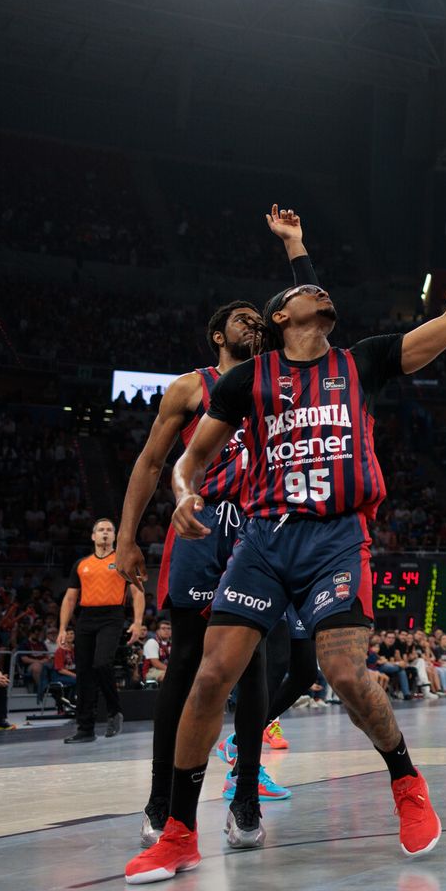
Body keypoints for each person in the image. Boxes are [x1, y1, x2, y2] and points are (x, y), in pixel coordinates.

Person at [124, 170, 446, 883]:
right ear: (284, 317)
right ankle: (177, 831)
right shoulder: (246, 380)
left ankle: (407, 782)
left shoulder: (364, 361)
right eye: (307, 292)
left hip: (334, 539)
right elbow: (190, 459)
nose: (322, 294)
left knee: (345, 673)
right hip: (263, 542)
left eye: (322, 292)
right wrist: (181, 493)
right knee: (209, 678)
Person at [113, 215, 304, 848]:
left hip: (258, 529)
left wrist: (292, 251)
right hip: (199, 525)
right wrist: (125, 537)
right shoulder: (188, 388)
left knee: (251, 669)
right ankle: (160, 796)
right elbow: (149, 462)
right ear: (216, 333)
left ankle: (245, 798)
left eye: (260, 316)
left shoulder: (275, 383)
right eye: (241, 317)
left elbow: (308, 318)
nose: (254, 321)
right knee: (188, 665)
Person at [58, 518, 144, 743]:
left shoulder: (123, 561)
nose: (105, 533)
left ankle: (114, 710)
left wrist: (137, 621)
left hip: (112, 616)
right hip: (86, 617)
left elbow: (137, 592)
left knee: (101, 663)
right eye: (101, 530)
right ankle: (85, 729)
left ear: (115, 536)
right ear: (93, 536)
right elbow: (70, 598)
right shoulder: (81, 564)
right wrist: (62, 628)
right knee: (84, 673)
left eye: (109, 530)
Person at [142, 619, 171, 685]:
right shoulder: (152, 642)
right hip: (151, 671)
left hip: (166, 670)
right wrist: (172, 671)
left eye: (169, 628)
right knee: (170, 676)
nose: (166, 631)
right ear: (157, 631)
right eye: (163, 628)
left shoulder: (172, 644)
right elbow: (155, 663)